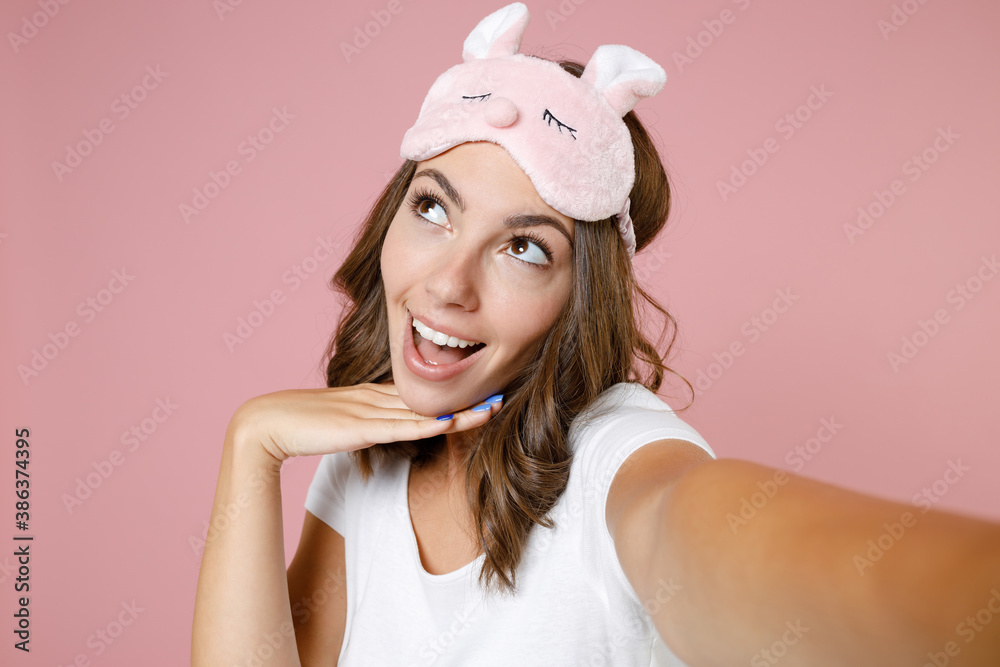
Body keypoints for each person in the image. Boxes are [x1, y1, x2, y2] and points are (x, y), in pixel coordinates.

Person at [192, 4, 1000, 666]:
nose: (446, 284)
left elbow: (717, 536)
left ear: (581, 297)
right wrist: (251, 443)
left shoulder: (618, 459)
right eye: (433, 207)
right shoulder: (364, 453)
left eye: (524, 248)